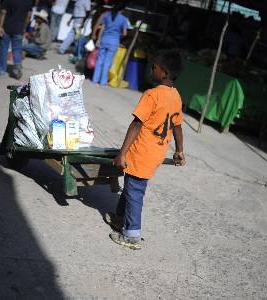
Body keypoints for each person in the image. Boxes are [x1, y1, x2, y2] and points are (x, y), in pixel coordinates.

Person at [107, 50, 186, 250]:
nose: (151, 70)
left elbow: (136, 125)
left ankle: (132, 234)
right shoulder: (175, 95)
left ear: (164, 73)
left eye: (154, 67)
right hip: (157, 153)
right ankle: (120, 218)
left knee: (134, 191)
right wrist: (179, 150)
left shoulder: (151, 94)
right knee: (131, 185)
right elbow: (177, 126)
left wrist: (121, 153)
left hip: (142, 152)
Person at [0, 0, 34, 79]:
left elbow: (3, 13)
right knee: (17, 49)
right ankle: (17, 66)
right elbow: (29, 15)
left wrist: (0, 27)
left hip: (6, 27)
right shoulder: (29, 1)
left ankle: (1, 70)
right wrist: (24, 27)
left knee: (4, 49)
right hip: (19, 29)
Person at [92, 2, 128, 85]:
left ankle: (95, 79)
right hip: (114, 42)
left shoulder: (107, 15)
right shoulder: (123, 19)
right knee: (107, 62)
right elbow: (125, 33)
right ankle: (103, 81)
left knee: (100, 60)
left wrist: (98, 39)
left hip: (104, 40)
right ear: (122, 10)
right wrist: (118, 34)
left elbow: (102, 28)